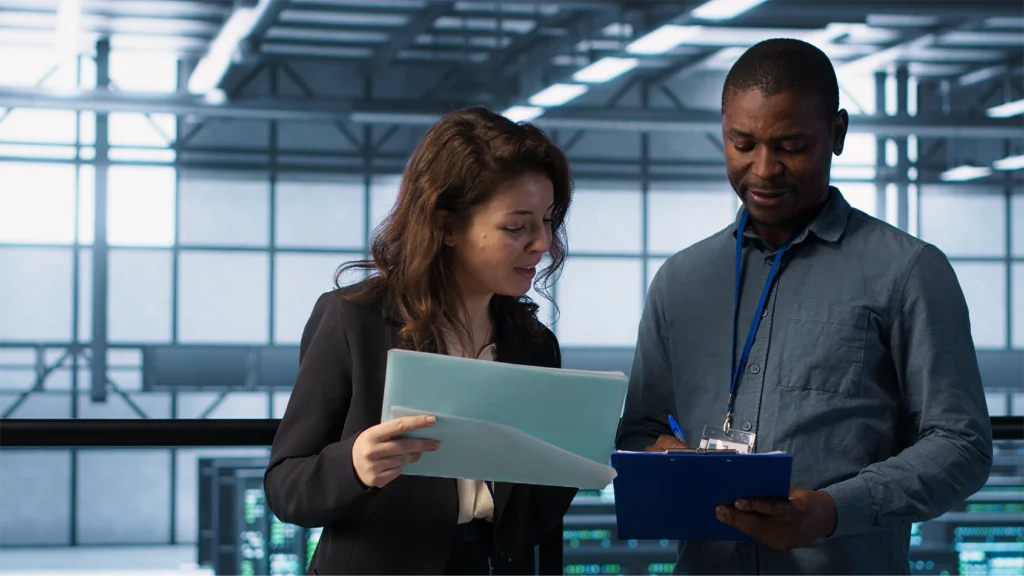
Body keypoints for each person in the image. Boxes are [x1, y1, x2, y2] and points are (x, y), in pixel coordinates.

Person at [616, 38, 993, 575]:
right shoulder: (680, 280)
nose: (764, 170)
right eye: (742, 144)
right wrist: (668, 459)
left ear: (836, 134)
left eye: (791, 146)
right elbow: (638, 429)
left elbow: (962, 444)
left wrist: (835, 511)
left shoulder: (908, 271)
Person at [264, 106, 578, 576]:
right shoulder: (356, 320)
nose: (542, 243)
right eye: (517, 226)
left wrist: (571, 458)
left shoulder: (533, 344)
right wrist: (354, 466)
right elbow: (286, 487)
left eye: (549, 221)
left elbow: (532, 509)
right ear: (448, 226)